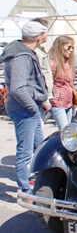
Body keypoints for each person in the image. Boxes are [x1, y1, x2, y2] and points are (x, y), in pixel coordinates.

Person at [0, 21, 49, 195]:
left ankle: (37, 182)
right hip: (24, 109)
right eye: (45, 33)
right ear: (38, 37)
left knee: (39, 147)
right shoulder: (21, 56)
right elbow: (18, 88)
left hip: (28, 107)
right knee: (25, 151)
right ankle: (25, 190)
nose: (47, 35)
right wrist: (33, 107)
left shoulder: (24, 52)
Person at [49, 35, 75, 130]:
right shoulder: (53, 63)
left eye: (72, 47)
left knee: (68, 131)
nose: (71, 50)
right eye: (69, 47)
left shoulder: (67, 62)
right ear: (60, 47)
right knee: (65, 131)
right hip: (57, 102)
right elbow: (46, 81)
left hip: (69, 102)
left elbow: (69, 82)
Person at [31, 18, 53, 119]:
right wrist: (45, 101)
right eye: (46, 31)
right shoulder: (36, 52)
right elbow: (38, 77)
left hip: (44, 97)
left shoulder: (41, 49)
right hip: (40, 99)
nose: (47, 34)